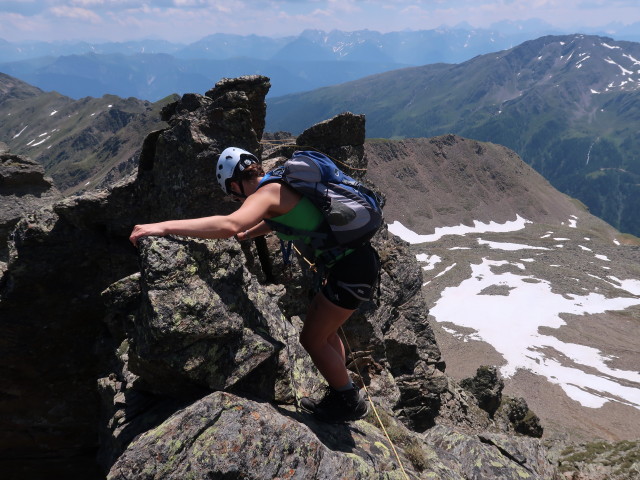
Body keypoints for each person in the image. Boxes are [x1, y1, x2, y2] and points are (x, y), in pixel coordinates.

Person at [129, 147, 380, 422]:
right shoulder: (279, 183)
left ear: (235, 183)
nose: (235, 198)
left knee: (312, 339)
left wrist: (163, 227)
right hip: (352, 265)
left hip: (350, 271)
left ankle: (348, 401)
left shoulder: (266, 193)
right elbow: (283, 218)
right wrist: (250, 233)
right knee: (327, 335)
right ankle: (342, 388)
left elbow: (229, 223)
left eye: (232, 193)